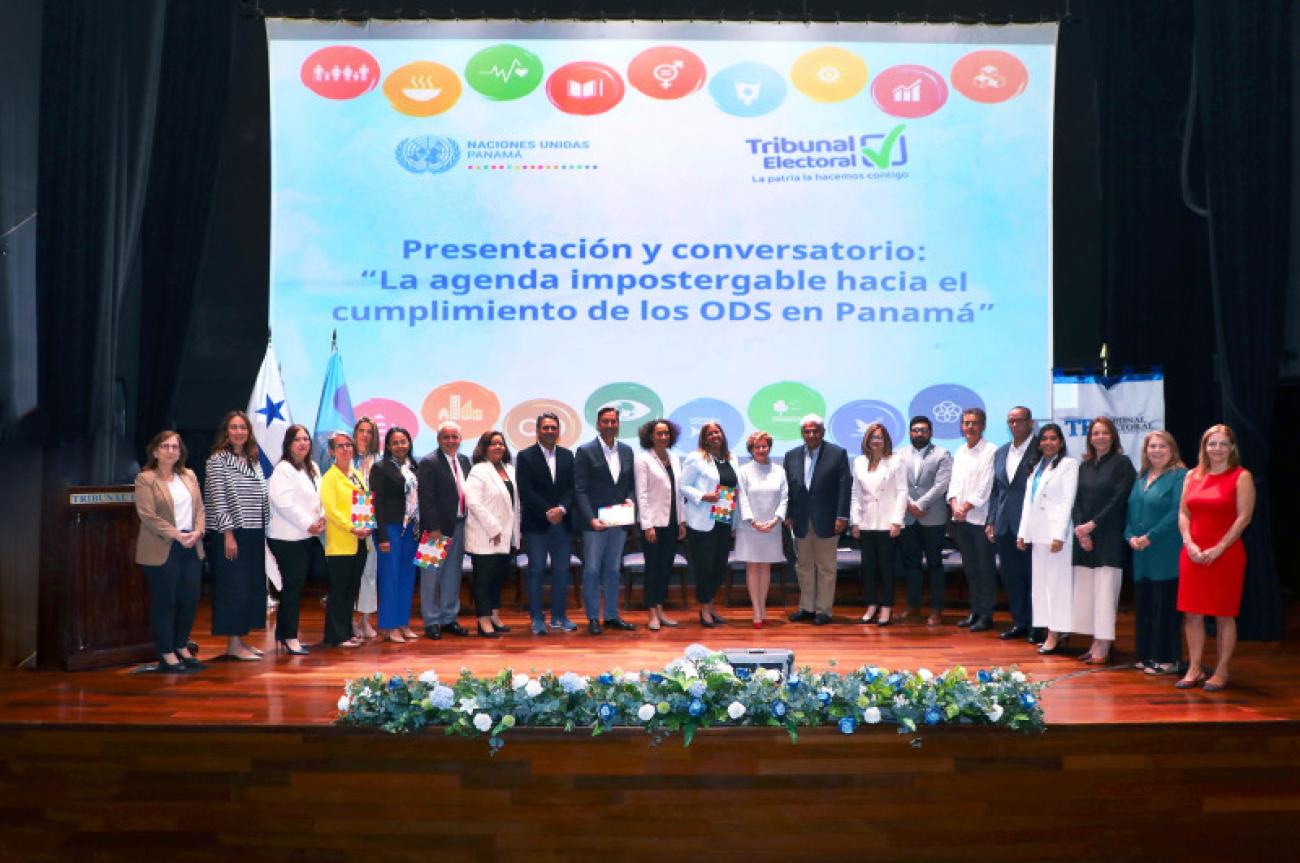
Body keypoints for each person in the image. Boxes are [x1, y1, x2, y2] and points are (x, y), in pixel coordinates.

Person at [1176, 424, 1255, 692]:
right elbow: (1184, 513)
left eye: (1223, 444)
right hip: (1193, 553)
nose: (1217, 449)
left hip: (1226, 554)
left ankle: (1222, 670)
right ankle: (1195, 668)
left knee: (1223, 616)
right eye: (1212, 444)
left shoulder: (1241, 476)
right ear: (1204, 447)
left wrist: (1218, 549)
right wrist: (1189, 544)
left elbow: (1244, 518)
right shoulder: (1191, 476)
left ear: (1232, 447)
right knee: (1192, 614)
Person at [134, 431, 205, 673]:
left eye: (175, 446)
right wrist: (177, 535)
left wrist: (197, 532)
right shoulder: (145, 479)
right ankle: (166, 652)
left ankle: (181, 645)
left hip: (191, 545)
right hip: (162, 547)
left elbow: (200, 510)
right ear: (155, 451)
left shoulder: (189, 476)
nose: (171, 450)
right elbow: (147, 515)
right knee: (166, 601)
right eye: (165, 446)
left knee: (190, 599)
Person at [204, 410, 269, 661]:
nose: (239, 432)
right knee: (234, 587)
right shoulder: (217, 460)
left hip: (254, 531)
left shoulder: (253, 460)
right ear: (226, 431)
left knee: (250, 586)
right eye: (234, 427)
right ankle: (233, 643)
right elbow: (218, 499)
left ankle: (241, 639)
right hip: (232, 532)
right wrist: (228, 534)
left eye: (243, 427)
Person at [1071, 416, 1136, 664]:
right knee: (1089, 592)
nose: (1100, 437)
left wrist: (1092, 525)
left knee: (1106, 591)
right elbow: (1075, 500)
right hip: (1085, 539)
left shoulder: (1122, 463)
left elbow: (1118, 499)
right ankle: (1094, 640)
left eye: (1105, 433)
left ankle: (1104, 642)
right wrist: (1080, 529)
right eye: (1096, 433)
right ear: (1090, 438)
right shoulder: (1084, 466)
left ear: (1113, 436)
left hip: (1108, 536)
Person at [1125, 430, 1188, 676]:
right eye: (1152, 446)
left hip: (1165, 551)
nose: (1157, 451)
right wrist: (1129, 536)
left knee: (1165, 608)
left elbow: (1176, 513)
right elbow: (1130, 511)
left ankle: (1167, 659)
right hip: (1141, 554)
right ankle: (1146, 655)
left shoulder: (1180, 476)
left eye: (1162, 446)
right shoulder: (1141, 477)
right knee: (1145, 606)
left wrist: (1150, 536)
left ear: (1171, 450)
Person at [1015, 423, 1078, 655]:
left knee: (1057, 586)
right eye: (1044, 439)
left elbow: (1067, 501)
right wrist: (1023, 533)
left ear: (1061, 442)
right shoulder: (1036, 466)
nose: (1048, 443)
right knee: (1041, 586)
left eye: (1053, 439)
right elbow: (1027, 503)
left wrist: (1059, 534)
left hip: (1055, 536)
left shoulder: (1068, 465)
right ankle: (1048, 628)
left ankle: (1056, 633)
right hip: (1037, 533)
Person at [574, 405, 637, 635]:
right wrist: (590, 519)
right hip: (595, 525)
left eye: (614, 421)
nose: (610, 425)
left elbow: (630, 486)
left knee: (612, 570)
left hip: (618, 522)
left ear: (618, 424)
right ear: (598, 424)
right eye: (606, 422)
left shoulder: (628, 451)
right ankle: (592, 618)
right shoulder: (585, 451)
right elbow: (579, 490)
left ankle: (611, 616)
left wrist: (631, 501)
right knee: (591, 570)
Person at [783, 414, 851, 626]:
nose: (811, 435)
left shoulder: (837, 453)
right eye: (807, 431)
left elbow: (844, 487)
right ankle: (807, 607)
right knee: (803, 566)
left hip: (828, 520)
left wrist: (842, 516)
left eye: (815, 431)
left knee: (826, 567)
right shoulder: (791, 455)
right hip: (800, 520)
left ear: (822, 432)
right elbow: (788, 489)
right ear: (802, 433)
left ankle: (823, 610)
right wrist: (788, 514)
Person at [516, 412, 578, 635]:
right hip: (536, 524)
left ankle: (559, 617)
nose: (550, 431)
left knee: (562, 571)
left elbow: (573, 488)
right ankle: (537, 619)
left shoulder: (568, 455)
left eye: (554, 428)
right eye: (546, 428)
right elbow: (526, 490)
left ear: (558, 431)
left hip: (562, 523)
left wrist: (561, 509)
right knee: (537, 571)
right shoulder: (524, 456)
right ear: (537, 431)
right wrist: (546, 511)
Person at [266, 424, 325, 656]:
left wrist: (322, 519)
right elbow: (283, 503)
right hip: (286, 537)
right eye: (297, 439)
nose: (303, 443)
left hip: (305, 535)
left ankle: (285, 634)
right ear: (288, 444)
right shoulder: (283, 469)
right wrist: (307, 523)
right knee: (292, 586)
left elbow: (319, 498)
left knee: (296, 586)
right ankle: (289, 636)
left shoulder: (312, 467)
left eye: (306, 439)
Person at [986, 406, 1039, 641]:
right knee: (1012, 576)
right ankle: (1019, 622)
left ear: (1030, 423)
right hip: (1004, 524)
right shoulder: (1001, 452)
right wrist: (991, 521)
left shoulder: (1042, 449)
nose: (1014, 425)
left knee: (1032, 576)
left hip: (1031, 524)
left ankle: (1038, 625)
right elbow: (997, 491)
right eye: (1010, 421)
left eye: (1019, 420)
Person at [415, 421, 471, 639]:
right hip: (435, 530)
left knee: (452, 576)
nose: (451, 441)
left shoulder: (464, 461)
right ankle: (431, 621)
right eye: (446, 437)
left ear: (460, 439)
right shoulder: (429, 462)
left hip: (458, 525)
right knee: (430, 577)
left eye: (455, 437)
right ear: (439, 440)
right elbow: (425, 498)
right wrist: (433, 527)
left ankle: (449, 618)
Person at [681, 421, 738, 628]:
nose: (715, 435)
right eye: (710, 433)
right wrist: (702, 495)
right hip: (701, 521)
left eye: (718, 431)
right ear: (704, 438)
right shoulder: (696, 458)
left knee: (718, 567)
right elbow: (683, 486)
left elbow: (734, 488)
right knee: (704, 567)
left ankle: (711, 605)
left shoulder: (731, 458)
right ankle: (704, 608)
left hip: (724, 518)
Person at [849, 422, 907, 626]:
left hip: (887, 522)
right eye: (873, 437)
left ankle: (886, 608)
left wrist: (897, 521)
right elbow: (855, 494)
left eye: (880, 437)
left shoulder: (896, 461)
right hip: (866, 522)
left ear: (886, 441)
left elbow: (902, 492)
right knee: (869, 568)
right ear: (867, 440)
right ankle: (871, 605)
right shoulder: (858, 462)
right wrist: (855, 521)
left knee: (886, 568)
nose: (876, 441)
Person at [895, 416, 951, 626]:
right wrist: (911, 504)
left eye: (924, 430)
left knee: (935, 564)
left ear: (930, 432)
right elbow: (897, 482)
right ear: (910, 432)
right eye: (915, 430)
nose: (919, 433)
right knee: (911, 565)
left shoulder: (942, 454)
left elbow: (942, 484)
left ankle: (936, 610)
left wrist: (921, 505)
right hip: (907, 517)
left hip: (932, 517)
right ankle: (913, 607)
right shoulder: (899, 454)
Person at [464, 430, 520, 637]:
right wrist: (494, 528)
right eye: (493, 444)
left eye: (501, 444)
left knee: (498, 578)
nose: (498, 447)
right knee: (484, 580)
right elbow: (473, 502)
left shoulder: (509, 469)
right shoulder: (479, 470)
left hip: (505, 536)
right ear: (484, 448)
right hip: (485, 535)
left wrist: (514, 533)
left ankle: (494, 615)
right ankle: (483, 620)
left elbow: (515, 504)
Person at [946, 408, 998, 632]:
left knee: (985, 569)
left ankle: (987, 615)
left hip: (980, 519)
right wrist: (955, 504)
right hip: (961, 519)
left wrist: (965, 507)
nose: (969, 427)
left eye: (974, 423)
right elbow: (954, 484)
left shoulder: (991, 451)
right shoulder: (959, 452)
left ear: (983, 426)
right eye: (966, 423)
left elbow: (985, 487)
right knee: (971, 568)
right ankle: (975, 611)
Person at [319, 431, 371, 648]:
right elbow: (331, 511)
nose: (346, 449)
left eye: (349, 445)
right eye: (340, 446)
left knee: (351, 590)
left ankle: (347, 631)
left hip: (360, 542)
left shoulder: (357, 474)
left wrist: (367, 524)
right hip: (341, 542)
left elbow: (364, 503)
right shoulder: (330, 477)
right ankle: (335, 636)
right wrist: (352, 528)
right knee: (339, 591)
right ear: (332, 451)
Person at [634, 419, 688, 631]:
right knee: (653, 569)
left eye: (666, 433)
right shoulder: (643, 460)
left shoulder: (674, 458)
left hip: (672, 521)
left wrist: (681, 520)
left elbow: (679, 492)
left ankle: (661, 609)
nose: (663, 437)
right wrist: (647, 525)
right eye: (659, 433)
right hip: (653, 524)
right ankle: (651, 614)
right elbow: (642, 494)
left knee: (665, 569)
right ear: (650, 436)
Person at [370, 426, 421, 643]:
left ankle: (403, 623)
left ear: (409, 444)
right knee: (390, 578)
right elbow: (376, 503)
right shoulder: (380, 468)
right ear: (388, 446)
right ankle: (389, 626)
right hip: (389, 528)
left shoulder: (415, 466)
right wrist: (381, 536)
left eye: (404, 441)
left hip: (412, 529)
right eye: (396, 442)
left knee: (408, 578)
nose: (401, 446)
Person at [735, 431, 788, 628]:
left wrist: (776, 519)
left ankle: (763, 607)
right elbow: (742, 498)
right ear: (751, 449)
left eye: (764, 446)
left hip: (772, 526)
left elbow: (784, 498)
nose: (761, 450)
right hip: (750, 526)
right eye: (757, 447)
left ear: (770, 447)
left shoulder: (779, 471)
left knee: (765, 566)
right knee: (752, 566)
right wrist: (752, 521)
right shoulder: (744, 470)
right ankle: (756, 610)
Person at [351, 416, 380, 640]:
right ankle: (350, 620)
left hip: (372, 526)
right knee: (349, 574)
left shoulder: (378, 461)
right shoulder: (344, 459)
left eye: (369, 431)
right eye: (361, 430)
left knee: (369, 574)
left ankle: (365, 619)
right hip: (347, 527)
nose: (365, 435)